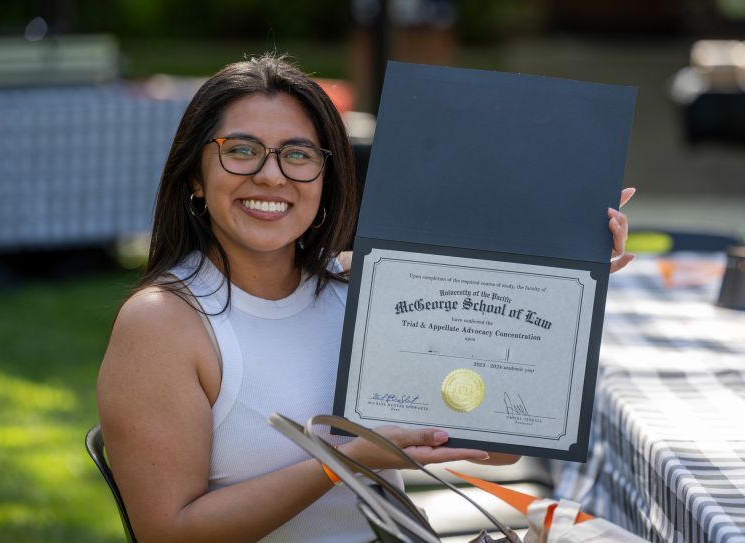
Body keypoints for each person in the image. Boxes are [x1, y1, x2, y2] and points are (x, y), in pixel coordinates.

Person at [97, 54, 635, 543]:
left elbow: (500, 447)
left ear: (326, 177)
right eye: (241, 151)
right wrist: (345, 461)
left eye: (298, 155)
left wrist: (559, 285)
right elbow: (167, 533)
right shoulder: (164, 323)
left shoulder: (363, 286)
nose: (271, 175)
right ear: (195, 174)